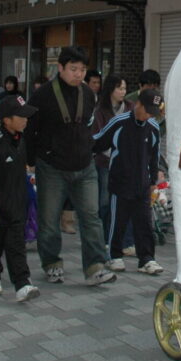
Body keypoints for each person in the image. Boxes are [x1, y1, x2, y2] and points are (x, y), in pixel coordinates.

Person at [26, 46, 116, 286]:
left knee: (91, 216)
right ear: (60, 68)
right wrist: (31, 161)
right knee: (49, 219)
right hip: (52, 166)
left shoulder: (88, 94)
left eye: (82, 69)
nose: (78, 74)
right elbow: (30, 129)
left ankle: (95, 266)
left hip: (85, 165)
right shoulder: (43, 94)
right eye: (73, 69)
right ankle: (52, 263)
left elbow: (87, 126)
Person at [93, 88, 165, 275]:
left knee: (144, 223)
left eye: (153, 112)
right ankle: (114, 255)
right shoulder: (119, 122)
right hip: (120, 182)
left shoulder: (153, 127)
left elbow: (154, 156)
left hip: (143, 184)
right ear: (138, 104)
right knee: (118, 220)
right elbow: (98, 142)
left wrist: (153, 180)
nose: (149, 115)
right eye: (146, 109)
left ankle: (146, 259)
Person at [0, 95, 40, 302]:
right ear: (6, 119)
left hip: (16, 206)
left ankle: (23, 284)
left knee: (16, 245)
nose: (25, 120)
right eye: (21, 116)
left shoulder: (21, 139)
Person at [92, 74, 135, 254]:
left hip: (128, 162)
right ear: (111, 89)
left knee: (126, 201)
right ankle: (104, 238)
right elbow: (98, 136)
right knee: (105, 201)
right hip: (106, 161)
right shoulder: (101, 110)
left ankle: (126, 241)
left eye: (124, 88)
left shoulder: (131, 108)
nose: (123, 92)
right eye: (119, 88)